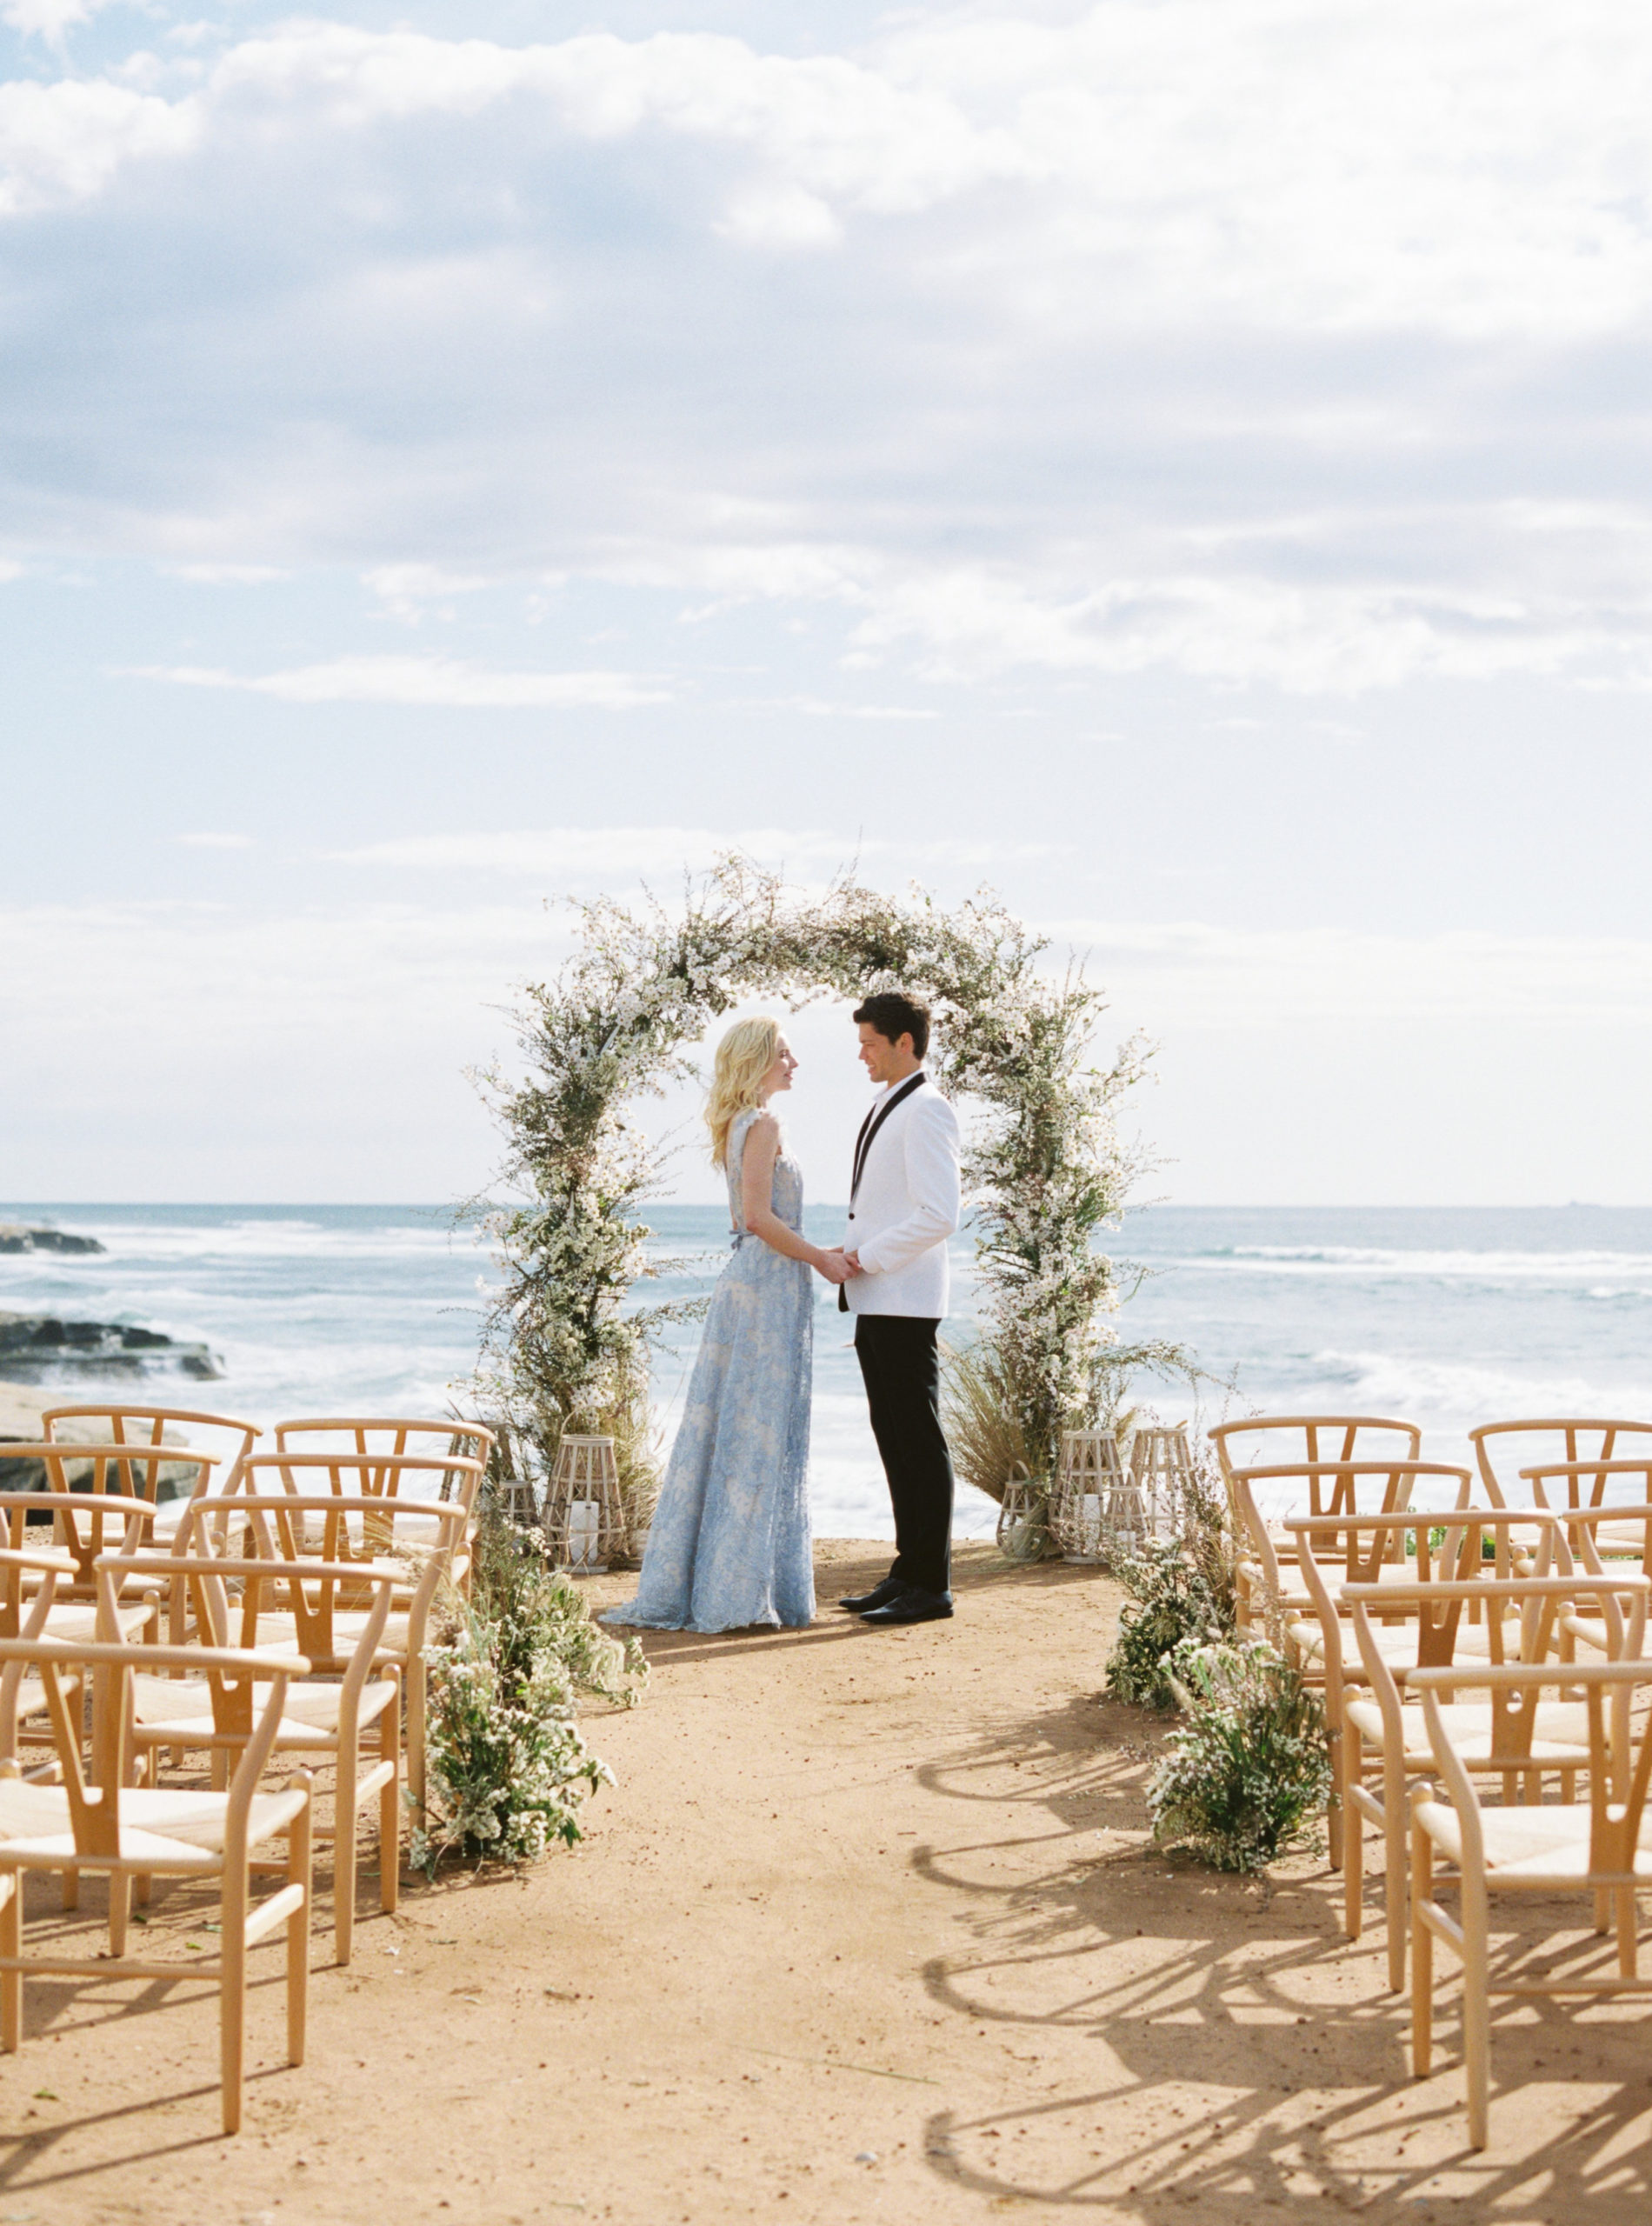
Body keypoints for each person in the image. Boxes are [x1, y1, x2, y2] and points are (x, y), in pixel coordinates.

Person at [603, 1016, 849, 1635]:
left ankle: (729, 1580)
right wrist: (821, 1258)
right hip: (766, 1286)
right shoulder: (762, 1125)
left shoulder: (742, 1123)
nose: (794, 1065)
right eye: (785, 1055)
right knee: (756, 1431)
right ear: (757, 1061)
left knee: (740, 1427)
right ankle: (735, 1590)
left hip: (758, 1284)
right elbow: (760, 1217)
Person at [831, 990, 963, 1627]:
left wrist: (871, 1256)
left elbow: (940, 1214)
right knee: (893, 1437)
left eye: (870, 1045)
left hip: (905, 1299)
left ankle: (932, 1586)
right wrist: (857, 1255)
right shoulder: (891, 1103)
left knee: (918, 1439)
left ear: (905, 1042)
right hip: (877, 1297)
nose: (862, 1057)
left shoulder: (929, 1109)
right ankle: (907, 1571)